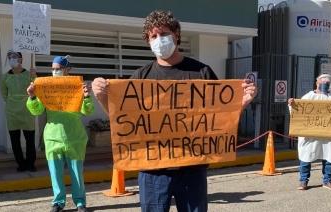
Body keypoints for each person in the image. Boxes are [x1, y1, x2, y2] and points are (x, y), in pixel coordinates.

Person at [92, 10, 257, 212]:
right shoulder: (140, 77)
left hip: (192, 169)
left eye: (163, 34)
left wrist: (243, 102)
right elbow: (123, 122)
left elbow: (219, 120)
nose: (159, 40)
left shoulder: (201, 72)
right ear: (148, 41)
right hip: (152, 172)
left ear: (176, 34)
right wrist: (101, 96)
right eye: (153, 36)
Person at [26, 56, 94, 212]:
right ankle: (58, 202)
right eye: (53, 69)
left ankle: (80, 202)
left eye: (58, 68)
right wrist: (32, 96)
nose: (55, 71)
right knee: (55, 173)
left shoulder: (77, 87)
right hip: (53, 137)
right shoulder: (47, 87)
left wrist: (86, 96)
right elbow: (36, 110)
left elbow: (87, 110)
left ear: (67, 69)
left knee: (77, 173)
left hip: (75, 137)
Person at [288, 73, 331, 191]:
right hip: (310, 135)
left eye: (327, 84)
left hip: (328, 135)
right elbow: (298, 113)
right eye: (322, 83)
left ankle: (327, 181)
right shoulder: (309, 96)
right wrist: (291, 104)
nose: (324, 85)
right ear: (317, 83)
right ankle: (303, 181)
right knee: (306, 156)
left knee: (328, 157)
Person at [0, 49, 37, 172]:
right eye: (10, 57)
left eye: (15, 57)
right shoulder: (5, 77)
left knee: (30, 139)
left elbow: (36, 88)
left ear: (21, 59)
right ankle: (21, 164)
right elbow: (4, 94)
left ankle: (31, 163)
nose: (12, 59)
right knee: (15, 140)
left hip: (27, 110)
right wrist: (12, 102)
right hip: (11, 112)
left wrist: (34, 76)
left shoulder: (29, 75)